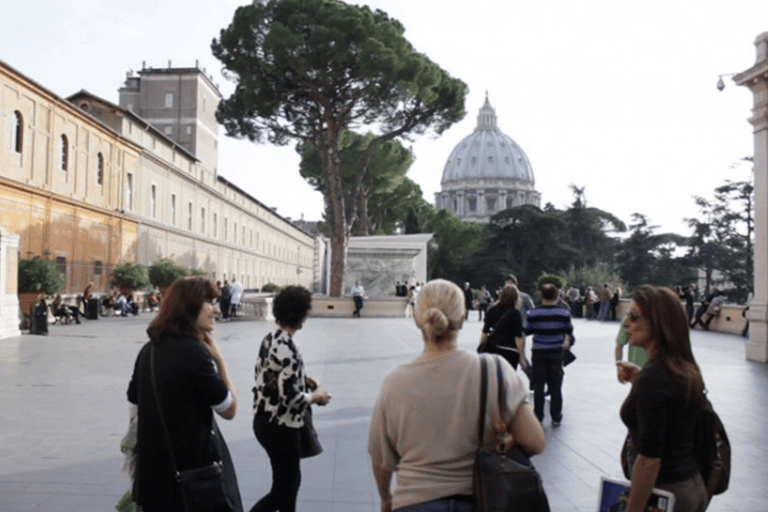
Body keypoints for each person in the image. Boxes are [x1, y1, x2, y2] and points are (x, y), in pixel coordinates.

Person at [368, 279, 545, 512]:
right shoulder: (494, 370)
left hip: (415, 503)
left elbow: (382, 460)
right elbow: (535, 442)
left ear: (418, 320)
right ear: (461, 320)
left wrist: (385, 498)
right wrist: (502, 438)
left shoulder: (395, 381)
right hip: (482, 500)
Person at [126, 276, 239, 512]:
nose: (216, 310)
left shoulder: (148, 350)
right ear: (189, 307)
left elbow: (135, 406)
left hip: (152, 482)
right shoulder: (194, 352)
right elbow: (229, 409)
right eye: (209, 302)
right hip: (189, 485)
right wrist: (219, 359)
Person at [616, 285, 708, 512]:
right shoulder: (683, 368)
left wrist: (633, 509)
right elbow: (673, 409)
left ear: (659, 323)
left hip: (665, 493)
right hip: (691, 485)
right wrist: (639, 378)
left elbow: (649, 458)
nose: (626, 322)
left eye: (634, 316)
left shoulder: (654, 378)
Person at [251, 285, 332, 512]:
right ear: (301, 314)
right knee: (284, 490)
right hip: (281, 426)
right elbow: (291, 399)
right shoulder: (289, 347)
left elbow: (270, 374)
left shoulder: (271, 338)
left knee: (286, 487)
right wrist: (316, 398)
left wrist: (302, 379)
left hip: (263, 421)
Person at [523, 283, 574, 426]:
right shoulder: (563, 313)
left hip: (538, 351)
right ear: (556, 296)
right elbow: (569, 330)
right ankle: (556, 416)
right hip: (556, 352)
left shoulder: (533, 313)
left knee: (539, 384)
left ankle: (538, 416)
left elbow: (527, 330)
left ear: (541, 296)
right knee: (556, 385)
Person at [478, 284, 526, 370]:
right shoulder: (515, 313)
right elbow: (518, 337)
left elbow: (485, 332)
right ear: (516, 297)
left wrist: (481, 346)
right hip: (510, 352)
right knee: (507, 379)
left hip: (493, 349)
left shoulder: (492, 310)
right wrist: (522, 356)